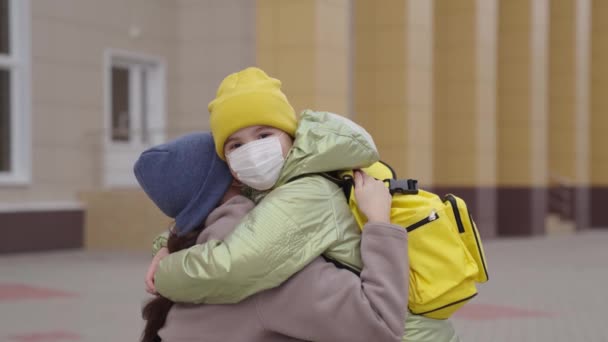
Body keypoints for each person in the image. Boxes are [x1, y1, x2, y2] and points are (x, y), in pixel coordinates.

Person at [151, 67, 460, 341]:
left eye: (264, 134)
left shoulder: (306, 192)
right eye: (236, 145)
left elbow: (235, 265)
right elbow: (221, 211)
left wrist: (165, 271)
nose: (252, 151)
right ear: (229, 166)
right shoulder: (270, 190)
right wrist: (166, 244)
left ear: (290, 137)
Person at [135, 132, 409, 342]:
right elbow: (378, 323)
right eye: (236, 149)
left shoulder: (189, 258)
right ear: (235, 177)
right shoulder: (267, 268)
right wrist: (379, 223)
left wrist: (165, 243)